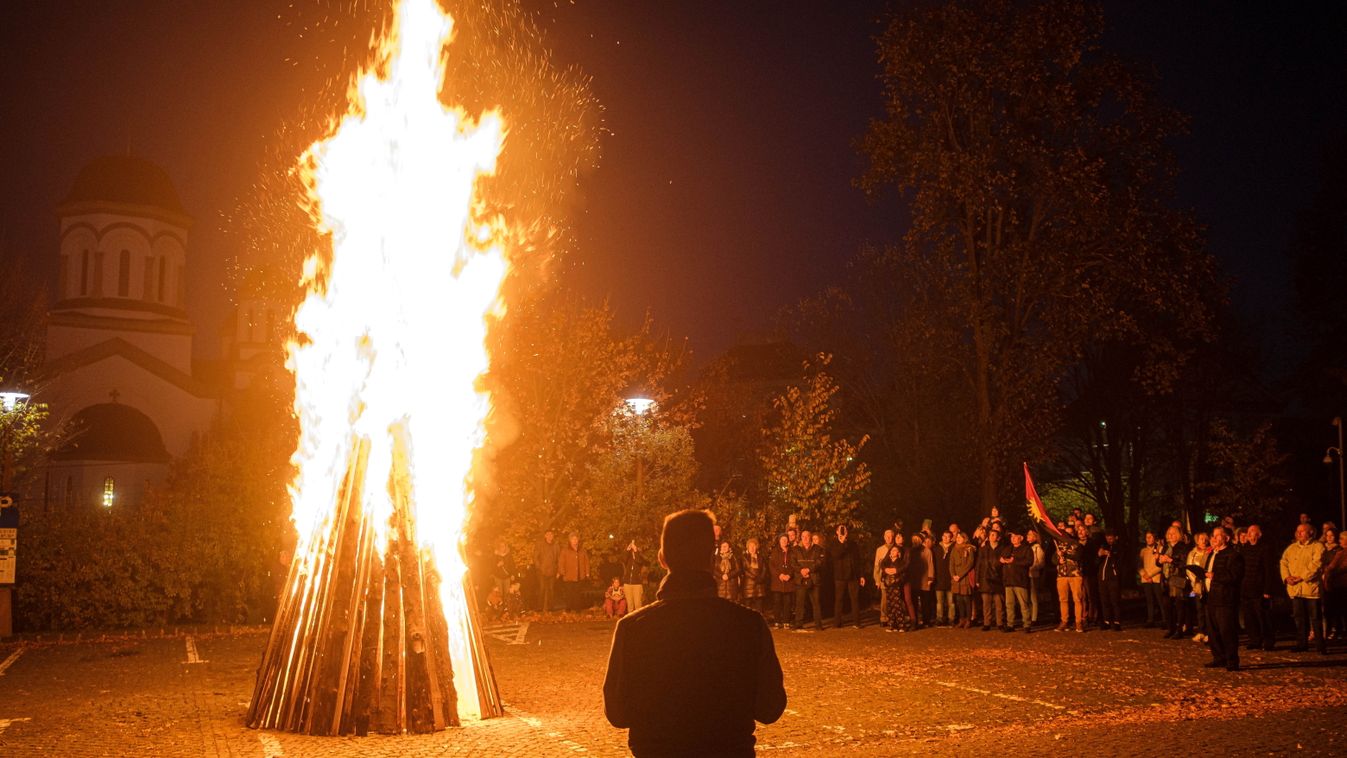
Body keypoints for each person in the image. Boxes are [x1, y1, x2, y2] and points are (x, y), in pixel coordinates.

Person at [603, 509, 787, 756]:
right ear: (711, 558)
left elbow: (617, 712)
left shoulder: (633, 628)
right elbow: (770, 707)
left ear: (662, 559)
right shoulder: (749, 625)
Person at [1280, 523, 1328, 654]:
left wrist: (1301, 577)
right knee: (1299, 617)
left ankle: (1320, 645)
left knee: (1315, 617)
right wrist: (1286, 577)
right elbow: (1283, 562)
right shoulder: (1291, 548)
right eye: (1297, 531)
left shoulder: (1318, 546)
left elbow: (1316, 565)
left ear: (1311, 533)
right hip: (1296, 589)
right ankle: (1302, 643)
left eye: (1302, 531)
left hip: (1311, 589)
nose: (1298, 533)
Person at [1203, 525, 1245, 671]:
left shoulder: (1233, 555)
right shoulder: (1212, 554)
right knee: (1213, 631)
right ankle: (1218, 657)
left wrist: (1215, 576)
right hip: (1211, 597)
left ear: (1226, 538)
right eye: (1212, 535)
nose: (1213, 538)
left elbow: (1235, 576)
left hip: (1225, 599)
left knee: (1227, 631)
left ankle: (1232, 661)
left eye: (1217, 535)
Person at [1239, 524, 1279, 651]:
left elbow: (1269, 570)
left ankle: (1268, 640)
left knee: (1263, 616)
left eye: (1252, 531)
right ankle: (1254, 639)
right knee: (1249, 617)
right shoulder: (1244, 548)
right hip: (1246, 587)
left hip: (1259, 588)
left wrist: (1267, 590)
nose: (1249, 534)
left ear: (1259, 534)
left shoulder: (1265, 548)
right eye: (1248, 531)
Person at [827, 524, 865, 629]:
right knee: (839, 599)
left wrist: (861, 575)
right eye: (841, 530)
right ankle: (837, 622)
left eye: (844, 530)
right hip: (840, 576)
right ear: (837, 532)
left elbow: (859, 560)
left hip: (853, 575)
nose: (843, 532)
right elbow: (836, 555)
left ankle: (857, 622)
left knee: (855, 599)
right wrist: (842, 542)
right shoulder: (833, 544)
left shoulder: (853, 544)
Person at [1159, 526, 1192, 639]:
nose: (1170, 535)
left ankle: (1179, 630)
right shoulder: (1165, 547)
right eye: (1169, 533)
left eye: (1173, 533)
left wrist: (1170, 560)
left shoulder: (1183, 547)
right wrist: (1159, 560)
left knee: (1179, 606)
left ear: (1178, 535)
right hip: (1166, 579)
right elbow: (1160, 563)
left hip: (1177, 579)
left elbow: (1183, 563)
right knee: (1167, 605)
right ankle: (1171, 628)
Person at [790, 529, 825, 631]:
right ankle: (798, 623)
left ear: (811, 537)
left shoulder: (818, 549)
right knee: (799, 603)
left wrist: (809, 569)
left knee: (816, 603)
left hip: (814, 579)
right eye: (803, 537)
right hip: (800, 579)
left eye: (807, 536)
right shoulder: (795, 549)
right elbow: (793, 563)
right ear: (801, 538)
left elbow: (820, 562)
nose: (805, 539)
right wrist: (801, 571)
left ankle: (818, 624)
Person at [1054, 525, 1085, 632]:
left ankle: (1078, 622)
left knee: (1077, 599)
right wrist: (1058, 560)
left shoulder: (1077, 545)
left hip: (1075, 575)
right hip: (1062, 575)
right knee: (1063, 599)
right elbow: (1053, 559)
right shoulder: (1059, 546)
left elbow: (1078, 557)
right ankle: (1064, 621)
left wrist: (1065, 555)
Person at [975, 528, 1007, 632]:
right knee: (986, 603)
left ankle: (1000, 622)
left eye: (994, 535)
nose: (992, 537)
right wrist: (977, 579)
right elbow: (979, 564)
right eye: (991, 535)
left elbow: (1004, 565)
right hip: (985, 578)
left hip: (998, 579)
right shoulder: (983, 549)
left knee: (999, 603)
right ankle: (987, 623)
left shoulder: (1002, 549)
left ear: (998, 537)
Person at [1001, 530, 1032, 632]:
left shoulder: (1026, 549)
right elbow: (1001, 558)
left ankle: (1027, 624)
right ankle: (1010, 624)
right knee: (1009, 604)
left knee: (1023, 603)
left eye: (1015, 536)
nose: (1013, 539)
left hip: (1020, 580)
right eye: (1011, 537)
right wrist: (1002, 560)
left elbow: (1029, 561)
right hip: (1008, 580)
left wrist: (1015, 561)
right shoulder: (1008, 549)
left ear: (1021, 538)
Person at [1187, 532, 1211, 643]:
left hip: (1208, 583)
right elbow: (1189, 568)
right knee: (1199, 608)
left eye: (1206, 539)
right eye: (1201, 539)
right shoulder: (1192, 553)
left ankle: (1209, 632)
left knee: (1208, 609)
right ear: (1197, 540)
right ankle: (1201, 630)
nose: (1204, 541)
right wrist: (1195, 581)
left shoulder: (1210, 552)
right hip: (1196, 585)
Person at [1323, 529, 1347, 643]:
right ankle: (1337, 630)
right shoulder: (1339, 552)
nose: (1339, 541)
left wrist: (1330, 571)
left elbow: (1336, 567)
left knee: (1342, 609)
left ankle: (1340, 631)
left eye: (1342, 539)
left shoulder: (1341, 552)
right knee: (1337, 609)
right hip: (1336, 585)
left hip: (1343, 585)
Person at [1097, 530, 1123, 631]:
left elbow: (1120, 561)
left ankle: (1117, 621)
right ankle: (1106, 621)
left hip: (1113, 578)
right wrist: (1100, 555)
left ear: (1115, 537)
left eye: (1111, 538)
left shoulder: (1119, 547)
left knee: (1114, 600)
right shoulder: (1103, 546)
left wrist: (1111, 554)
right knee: (1104, 600)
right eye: (1107, 538)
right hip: (1102, 578)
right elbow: (1097, 562)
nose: (1109, 540)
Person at [1139, 531, 1166, 629]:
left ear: (1154, 538)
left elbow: (1160, 565)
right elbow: (1139, 565)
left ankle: (1165, 620)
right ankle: (1150, 619)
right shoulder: (1143, 551)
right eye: (1147, 537)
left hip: (1156, 578)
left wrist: (1150, 575)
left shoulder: (1160, 549)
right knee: (1149, 600)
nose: (1148, 539)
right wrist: (1144, 575)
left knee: (1160, 599)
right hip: (1146, 579)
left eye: (1150, 537)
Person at [950, 531, 977, 628]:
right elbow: (951, 564)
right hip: (956, 579)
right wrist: (953, 575)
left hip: (964, 578)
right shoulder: (954, 549)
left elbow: (970, 563)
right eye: (957, 538)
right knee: (959, 600)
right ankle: (962, 619)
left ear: (964, 538)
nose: (958, 539)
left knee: (967, 600)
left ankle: (968, 620)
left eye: (960, 537)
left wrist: (960, 575)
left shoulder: (969, 549)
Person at [879, 544, 909, 632]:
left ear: (898, 553)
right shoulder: (887, 562)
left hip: (896, 585)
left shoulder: (900, 562)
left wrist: (896, 577)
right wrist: (884, 579)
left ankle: (901, 625)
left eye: (895, 550)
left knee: (897, 605)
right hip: (888, 585)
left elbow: (903, 574)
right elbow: (883, 571)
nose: (893, 552)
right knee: (890, 605)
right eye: (892, 550)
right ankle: (892, 625)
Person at [768, 534, 795, 628]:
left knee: (788, 602)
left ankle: (786, 621)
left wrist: (789, 575)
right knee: (777, 602)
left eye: (785, 540)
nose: (783, 541)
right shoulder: (775, 551)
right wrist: (779, 575)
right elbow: (771, 566)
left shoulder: (792, 552)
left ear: (788, 541)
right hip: (777, 581)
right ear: (779, 541)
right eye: (782, 540)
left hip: (789, 581)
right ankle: (777, 621)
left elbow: (794, 565)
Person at [558, 532, 591, 611]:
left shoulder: (582, 550)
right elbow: (561, 562)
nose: (575, 541)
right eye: (573, 539)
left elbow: (586, 562)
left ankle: (577, 608)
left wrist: (587, 572)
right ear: (570, 540)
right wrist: (562, 572)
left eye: (576, 539)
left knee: (577, 593)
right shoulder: (565, 550)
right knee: (569, 593)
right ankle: (568, 608)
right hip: (568, 575)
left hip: (579, 575)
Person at [533, 529, 561, 613]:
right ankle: (539, 607)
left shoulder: (556, 546)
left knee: (551, 589)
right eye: (548, 534)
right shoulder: (540, 545)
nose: (549, 536)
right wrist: (539, 567)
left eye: (551, 535)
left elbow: (559, 559)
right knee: (542, 588)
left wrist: (558, 570)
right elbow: (535, 557)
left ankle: (551, 607)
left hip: (552, 571)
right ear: (545, 536)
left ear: (553, 536)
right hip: (542, 571)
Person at [740, 537, 768, 615]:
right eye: (750, 546)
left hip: (760, 584)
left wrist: (761, 578)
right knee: (748, 605)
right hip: (748, 584)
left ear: (757, 547)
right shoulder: (744, 557)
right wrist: (754, 577)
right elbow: (744, 570)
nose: (752, 548)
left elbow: (764, 568)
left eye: (754, 546)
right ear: (747, 547)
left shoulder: (761, 557)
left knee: (759, 604)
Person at [933, 531, 955, 626]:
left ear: (951, 538)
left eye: (948, 536)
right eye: (944, 536)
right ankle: (940, 618)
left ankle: (951, 618)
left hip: (950, 579)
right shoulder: (936, 549)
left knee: (951, 602)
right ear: (942, 537)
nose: (946, 538)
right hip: (939, 579)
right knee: (939, 602)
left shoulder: (954, 548)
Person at [874, 529, 895, 625]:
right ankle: (883, 617)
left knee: (895, 599)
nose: (889, 538)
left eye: (891, 536)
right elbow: (877, 566)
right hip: (884, 578)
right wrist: (877, 580)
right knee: (884, 599)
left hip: (895, 578)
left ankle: (893, 617)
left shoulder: (897, 548)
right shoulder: (880, 550)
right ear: (884, 537)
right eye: (887, 536)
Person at [1026, 529, 1047, 627]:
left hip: (1033, 575)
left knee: (1033, 597)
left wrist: (1032, 567)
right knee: (1027, 597)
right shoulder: (1026, 547)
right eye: (1028, 534)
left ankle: (1034, 618)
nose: (1028, 536)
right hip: (1025, 575)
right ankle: (1029, 616)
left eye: (1030, 534)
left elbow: (1041, 563)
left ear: (1035, 537)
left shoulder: (1037, 548)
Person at [622, 540, 648, 614]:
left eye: (635, 548)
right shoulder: (628, 558)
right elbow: (623, 559)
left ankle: (639, 620)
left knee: (637, 604)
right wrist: (627, 549)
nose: (632, 550)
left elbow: (639, 561)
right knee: (630, 605)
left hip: (637, 584)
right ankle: (630, 621)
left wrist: (636, 551)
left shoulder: (641, 557)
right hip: (627, 584)